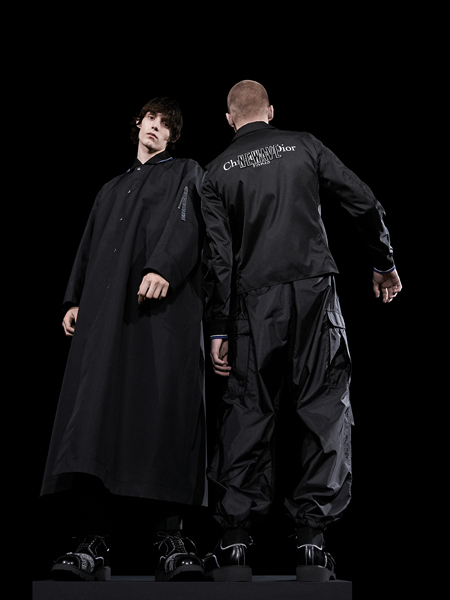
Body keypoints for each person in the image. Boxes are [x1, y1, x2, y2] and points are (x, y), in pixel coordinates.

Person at [201, 80, 402, 582]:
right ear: (271, 111)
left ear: (229, 119)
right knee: (324, 405)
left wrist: (219, 328)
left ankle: (234, 545)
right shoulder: (305, 145)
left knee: (248, 411)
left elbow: (219, 261)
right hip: (314, 292)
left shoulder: (215, 172)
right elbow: (363, 201)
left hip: (253, 301)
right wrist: (383, 262)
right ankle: (312, 544)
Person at [40, 97, 207, 582]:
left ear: (172, 136)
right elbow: (88, 246)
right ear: (138, 124)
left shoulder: (185, 173)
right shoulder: (110, 188)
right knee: (95, 418)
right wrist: (74, 299)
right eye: (151, 119)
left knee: (161, 414)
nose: (156, 127)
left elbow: (189, 222)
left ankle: (171, 539)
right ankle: (92, 541)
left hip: (159, 316)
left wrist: (164, 266)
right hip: (103, 318)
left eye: (166, 125)